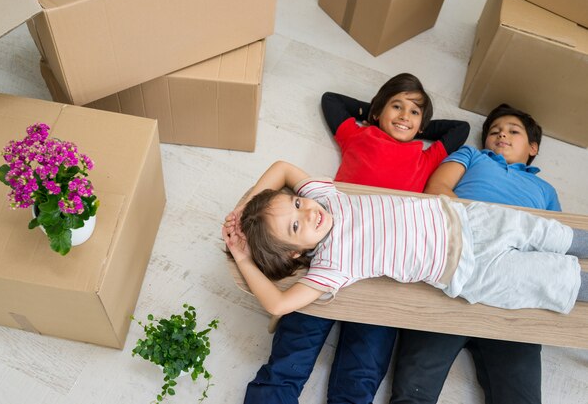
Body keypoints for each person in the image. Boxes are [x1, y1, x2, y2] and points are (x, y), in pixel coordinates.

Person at [241, 73, 470, 404]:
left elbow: (459, 130)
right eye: (397, 106)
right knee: (289, 359)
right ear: (377, 111)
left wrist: (416, 127)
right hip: (329, 247)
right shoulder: (359, 136)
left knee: (360, 376)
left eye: (415, 111)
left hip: (384, 268)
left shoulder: (425, 155)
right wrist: (376, 114)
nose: (405, 115)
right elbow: (331, 99)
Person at [222, 160, 588, 317]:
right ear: (294, 253)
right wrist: (242, 255)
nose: (308, 213)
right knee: (554, 280)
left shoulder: (328, 199)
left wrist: (244, 208)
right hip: (471, 270)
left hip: (471, 219)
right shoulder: (330, 266)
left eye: (298, 202)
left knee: (550, 233)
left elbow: (282, 167)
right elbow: (278, 305)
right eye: (296, 227)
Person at [389, 103, 567, 404]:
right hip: (453, 275)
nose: (501, 135)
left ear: (533, 147)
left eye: (513, 131)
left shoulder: (545, 189)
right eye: (494, 131)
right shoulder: (473, 156)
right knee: (412, 393)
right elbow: (437, 188)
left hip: (512, 296)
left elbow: (554, 242)